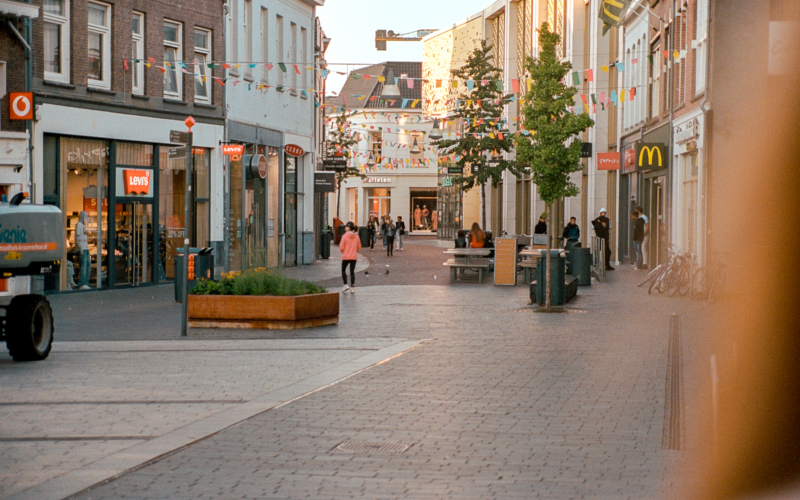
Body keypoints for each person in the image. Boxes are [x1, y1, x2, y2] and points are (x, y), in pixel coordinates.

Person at [339, 222, 361, 293]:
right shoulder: (356, 236)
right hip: (353, 257)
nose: (345, 227)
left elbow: (341, 247)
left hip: (345, 256)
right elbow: (359, 246)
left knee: (343, 270)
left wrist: (344, 252)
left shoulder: (344, 236)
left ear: (348, 228)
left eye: (346, 226)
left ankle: (345, 284)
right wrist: (354, 251)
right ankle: (352, 287)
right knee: (352, 272)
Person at [75, 211, 91, 290]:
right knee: (83, 266)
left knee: (88, 265)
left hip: (86, 248)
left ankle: (85, 282)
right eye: (86, 216)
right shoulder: (79, 225)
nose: (86, 218)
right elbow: (78, 238)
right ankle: (82, 283)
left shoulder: (83, 226)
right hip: (82, 249)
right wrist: (81, 248)